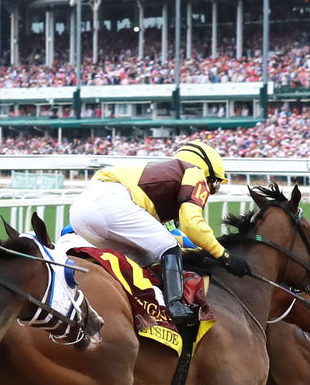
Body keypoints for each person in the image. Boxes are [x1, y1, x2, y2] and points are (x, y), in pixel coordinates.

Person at [67, 140, 247, 330]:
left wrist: (198, 250)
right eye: (214, 184)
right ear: (207, 172)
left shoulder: (159, 179)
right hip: (109, 204)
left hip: (81, 211)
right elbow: (191, 224)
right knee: (167, 248)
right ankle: (175, 307)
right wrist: (223, 255)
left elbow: (170, 236)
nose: (211, 190)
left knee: (143, 260)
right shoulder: (195, 173)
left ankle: (128, 309)